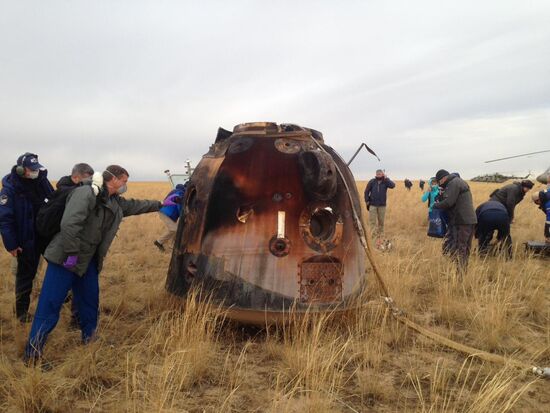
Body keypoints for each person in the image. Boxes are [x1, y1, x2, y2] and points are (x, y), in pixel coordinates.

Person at [25, 165, 161, 362]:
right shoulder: (85, 193)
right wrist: (71, 254)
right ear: (113, 179)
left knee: (89, 300)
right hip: (65, 258)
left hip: (87, 261)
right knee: (50, 304)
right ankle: (32, 353)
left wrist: (160, 204)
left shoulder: (113, 200)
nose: (125, 185)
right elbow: (70, 224)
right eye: (124, 181)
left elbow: (134, 205)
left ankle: (90, 339)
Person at [0, 153, 54, 322]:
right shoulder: (9, 189)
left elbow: (53, 201)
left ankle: (64, 299)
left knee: (61, 265)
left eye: (37, 169)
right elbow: (5, 219)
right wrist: (12, 245)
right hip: (25, 241)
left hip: (46, 237)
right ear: (21, 169)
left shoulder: (42, 182)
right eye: (32, 169)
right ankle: (22, 315)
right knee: (25, 278)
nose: (35, 172)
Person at [432, 169, 477, 273]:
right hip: (469, 220)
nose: (440, 185)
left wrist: (435, 205)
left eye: (439, 182)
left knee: (460, 246)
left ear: (443, 178)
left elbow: (448, 202)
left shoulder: (453, 183)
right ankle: (462, 271)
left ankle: (459, 274)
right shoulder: (458, 182)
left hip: (461, 221)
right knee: (465, 247)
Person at [154, 183, 187, 252]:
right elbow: (179, 203)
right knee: (174, 229)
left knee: (178, 228)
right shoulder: (180, 192)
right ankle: (158, 242)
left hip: (170, 214)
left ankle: (173, 245)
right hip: (165, 213)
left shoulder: (178, 191)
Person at [364, 169, 395, 239]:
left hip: (382, 205)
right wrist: (367, 201)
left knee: (381, 222)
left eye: (380, 174)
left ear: (382, 174)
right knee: (372, 222)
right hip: (372, 205)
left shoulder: (385, 181)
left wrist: (386, 178)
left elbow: (393, 185)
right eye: (377, 174)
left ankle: (381, 236)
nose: (378, 175)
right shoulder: (372, 181)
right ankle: (373, 236)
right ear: (376, 174)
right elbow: (366, 191)